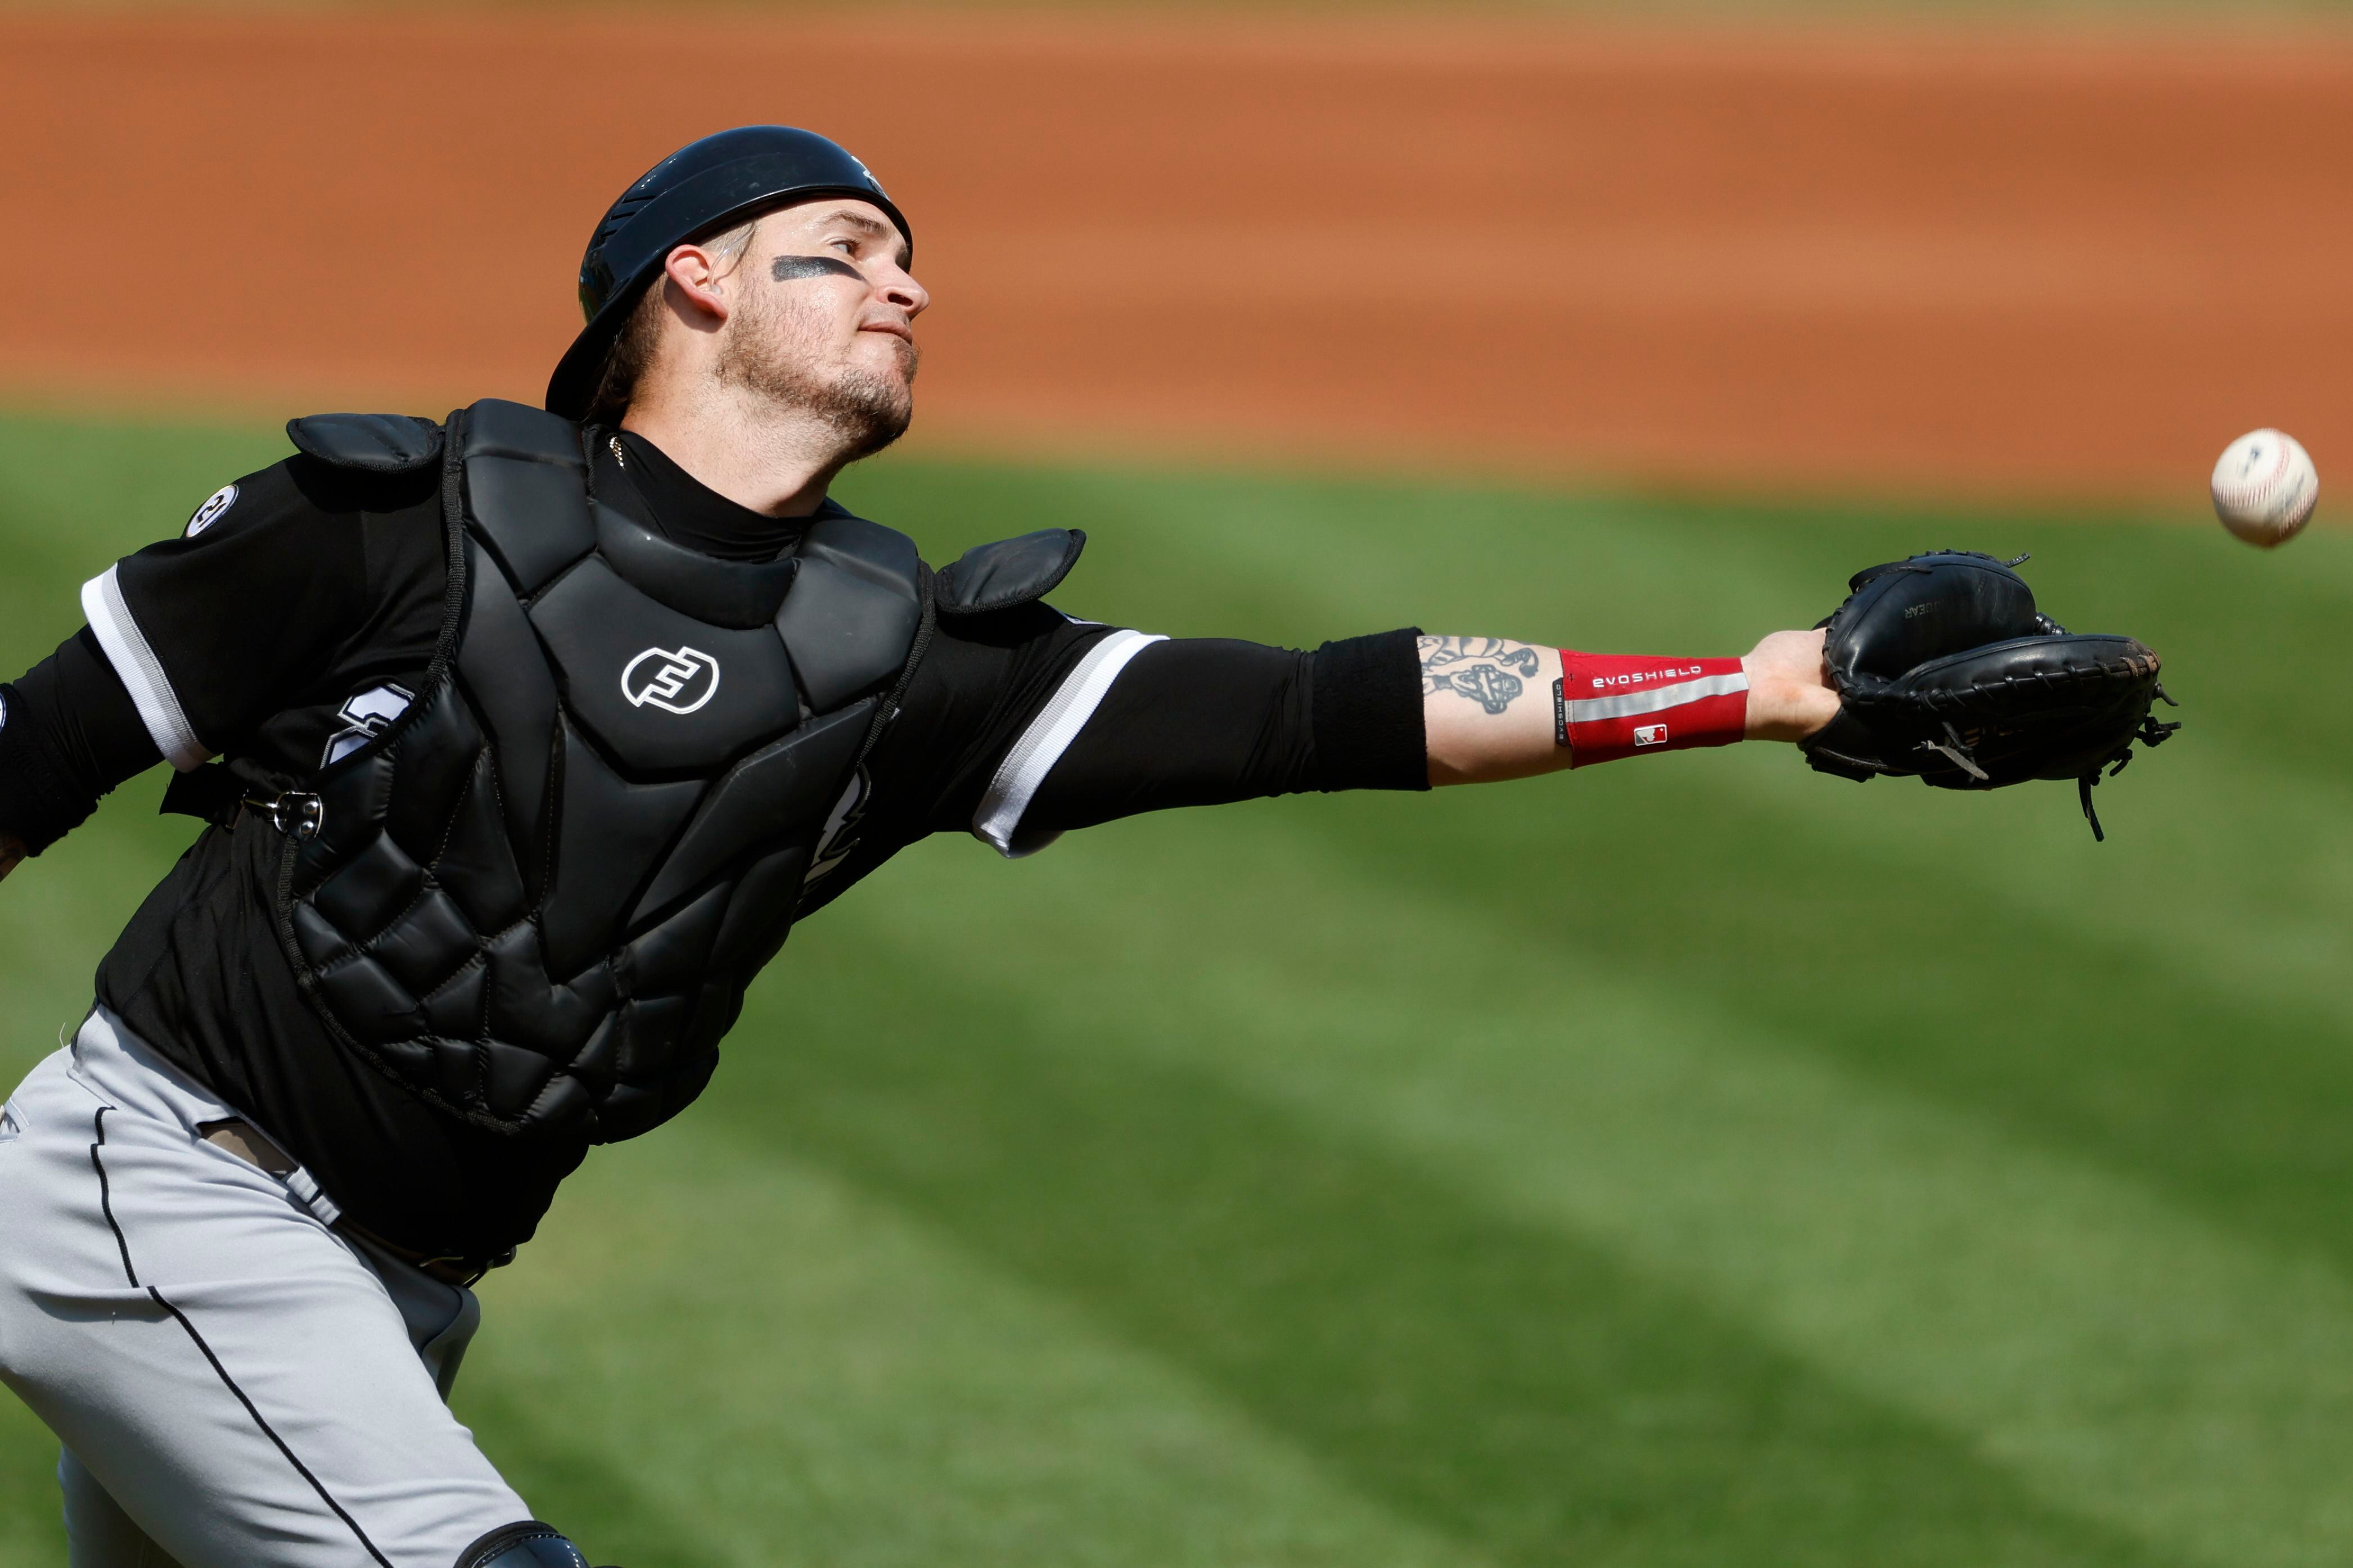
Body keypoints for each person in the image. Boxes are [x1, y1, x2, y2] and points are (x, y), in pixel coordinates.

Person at [0, 126, 1838, 1568]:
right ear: (695, 279)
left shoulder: (903, 659)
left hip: (399, 1294)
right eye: (853, 249)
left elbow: (1318, 708)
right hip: (161, 1191)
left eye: (915, 264)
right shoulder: (387, 524)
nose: (911, 292)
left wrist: (1751, 686)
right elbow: (29, 754)